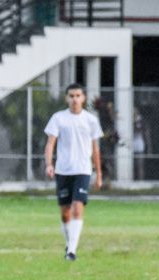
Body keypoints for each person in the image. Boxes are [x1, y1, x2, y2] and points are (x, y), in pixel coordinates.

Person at [44, 83, 103, 261]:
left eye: (78, 95)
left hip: (83, 170)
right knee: (65, 212)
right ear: (66, 98)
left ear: (83, 98)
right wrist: (49, 164)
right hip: (63, 170)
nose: (74, 99)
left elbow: (95, 148)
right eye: (71, 96)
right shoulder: (58, 118)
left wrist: (98, 174)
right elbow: (50, 143)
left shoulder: (90, 120)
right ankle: (70, 243)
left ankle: (72, 250)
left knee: (78, 207)